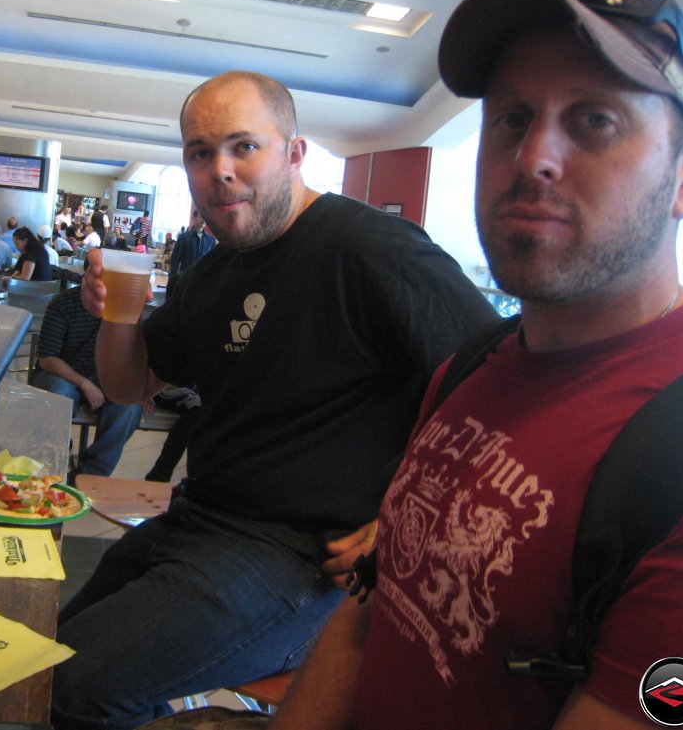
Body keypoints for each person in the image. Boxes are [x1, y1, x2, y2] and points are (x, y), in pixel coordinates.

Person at [269, 0, 683, 730]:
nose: (533, 156)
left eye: (594, 121)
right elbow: (372, 611)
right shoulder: (471, 366)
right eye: (511, 118)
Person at [50, 70, 496, 730]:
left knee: (74, 685)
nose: (220, 171)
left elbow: (499, 385)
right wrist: (117, 316)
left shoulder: (372, 250)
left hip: (296, 562)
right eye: (200, 153)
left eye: (243, 147)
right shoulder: (212, 275)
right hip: (196, 523)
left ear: (294, 153)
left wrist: (409, 521)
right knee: (38, 659)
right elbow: (127, 386)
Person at [33, 285, 144, 481]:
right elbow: (47, 359)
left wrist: (141, 388)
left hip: (105, 378)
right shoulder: (63, 304)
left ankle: (90, 476)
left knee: (129, 405)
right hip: (61, 373)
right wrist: (85, 383)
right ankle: (51, 466)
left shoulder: (125, 307)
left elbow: (131, 356)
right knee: (59, 394)